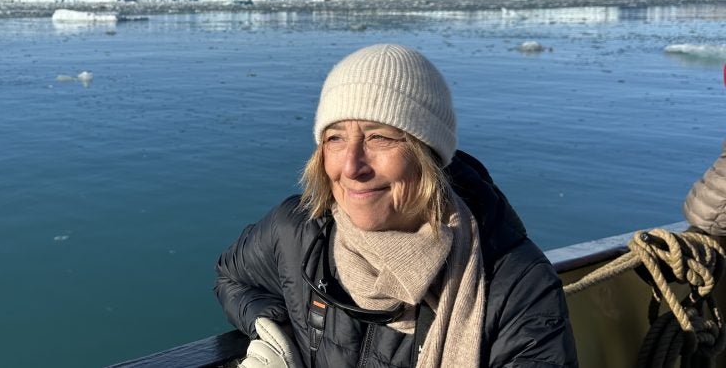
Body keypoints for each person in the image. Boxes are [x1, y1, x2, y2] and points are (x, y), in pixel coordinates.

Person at [215, 44, 577, 368]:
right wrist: (275, 332)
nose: (352, 166)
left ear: (429, 155)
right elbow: (232, 278)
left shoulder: (514, 283)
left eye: (380, 137)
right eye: (336, 138)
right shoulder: (298, 229)